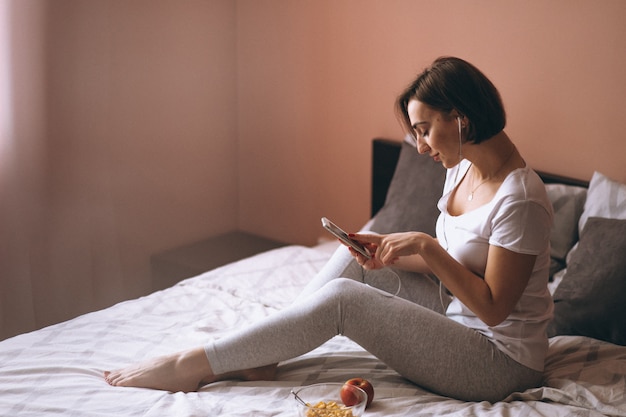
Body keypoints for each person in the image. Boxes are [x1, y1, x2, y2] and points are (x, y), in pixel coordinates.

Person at [104, 56, 553, 403]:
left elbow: (493, 309)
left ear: (460, 118)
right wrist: (389, 254)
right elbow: (456, 270)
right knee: (351, 263)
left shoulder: (523, 199)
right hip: (457, 318)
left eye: (424, 130)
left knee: (343, 301)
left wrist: (424, 246)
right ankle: (262, 359)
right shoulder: (462, 166)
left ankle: (195, 363)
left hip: (500, 362)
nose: (420, 146)